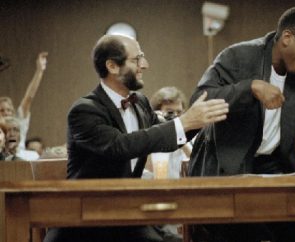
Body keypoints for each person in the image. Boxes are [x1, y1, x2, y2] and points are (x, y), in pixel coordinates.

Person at [188, 6, 295, 242]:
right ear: (287, 38)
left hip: (272, 171)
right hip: (226, 172)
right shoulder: (238, 56)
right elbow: (199, 100)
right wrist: (251, 88)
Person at [43, 34, 229, 242]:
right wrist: (184, 121)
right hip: (86, 222)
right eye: (137, 59)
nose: (145, 65)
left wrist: (201, 119)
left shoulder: (140, 103)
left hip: (127, 217)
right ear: (112, 66)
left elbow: (165, 136)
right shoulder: (84, 110)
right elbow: (120, 146)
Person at [0, 51, 48, 152]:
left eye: (9, 110)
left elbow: (29, 98)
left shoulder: (19, 122)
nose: (6, 113)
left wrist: (39, 71)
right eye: (2, 110)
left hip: (20, 161)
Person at [149, 86, 192, 178]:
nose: (176, 116)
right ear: (157, 113)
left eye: (179, 112)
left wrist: (180, 139)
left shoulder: (192, 135)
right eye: (170, 112)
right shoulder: (148, 136)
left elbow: (199, 165)